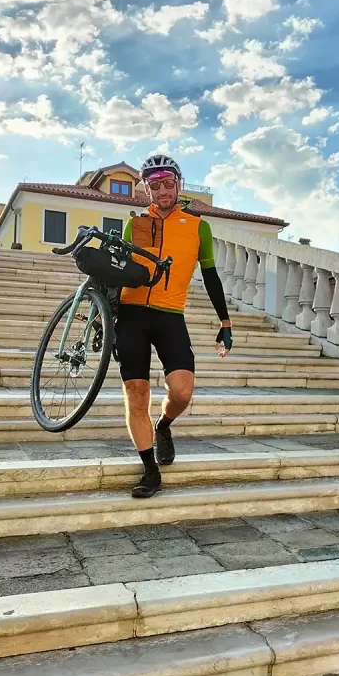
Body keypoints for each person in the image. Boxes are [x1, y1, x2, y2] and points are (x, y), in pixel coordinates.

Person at [115, 154, 233, 498]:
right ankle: (150, 470)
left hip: (170, 316)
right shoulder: (134, 224)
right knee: (136, 395)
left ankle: (163, 425)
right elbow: (119, 270)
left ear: (178, 185)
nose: (162, 190)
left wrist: (224, 321)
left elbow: (210, 275)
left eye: (168, 183)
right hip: (131, 314)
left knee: (182, 390)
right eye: (155, 184)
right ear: (147, 189)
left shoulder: (198, 226)